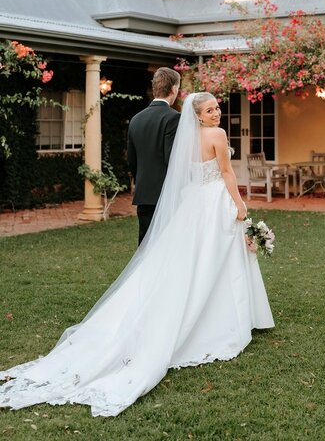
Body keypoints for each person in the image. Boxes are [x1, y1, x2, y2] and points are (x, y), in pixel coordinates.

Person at [0, 92, 274, 417]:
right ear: (198, 115)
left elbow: (183, 175)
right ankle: (223, 318)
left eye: (217, 108)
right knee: (214, 259)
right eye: (210, 110)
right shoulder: (217, 135)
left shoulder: (187, 138)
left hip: (193, 204)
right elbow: (227, 174)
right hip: (214, 202)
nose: (217, 113)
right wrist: (240, 204)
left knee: (192, 261)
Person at [127, 67, 180, 245]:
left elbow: (131, 161)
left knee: (145, 247)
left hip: (144, 195)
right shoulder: (174, 118)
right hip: (166, 196)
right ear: (173, 89)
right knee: (166, 248)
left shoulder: (136, 119)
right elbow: (172, 159)